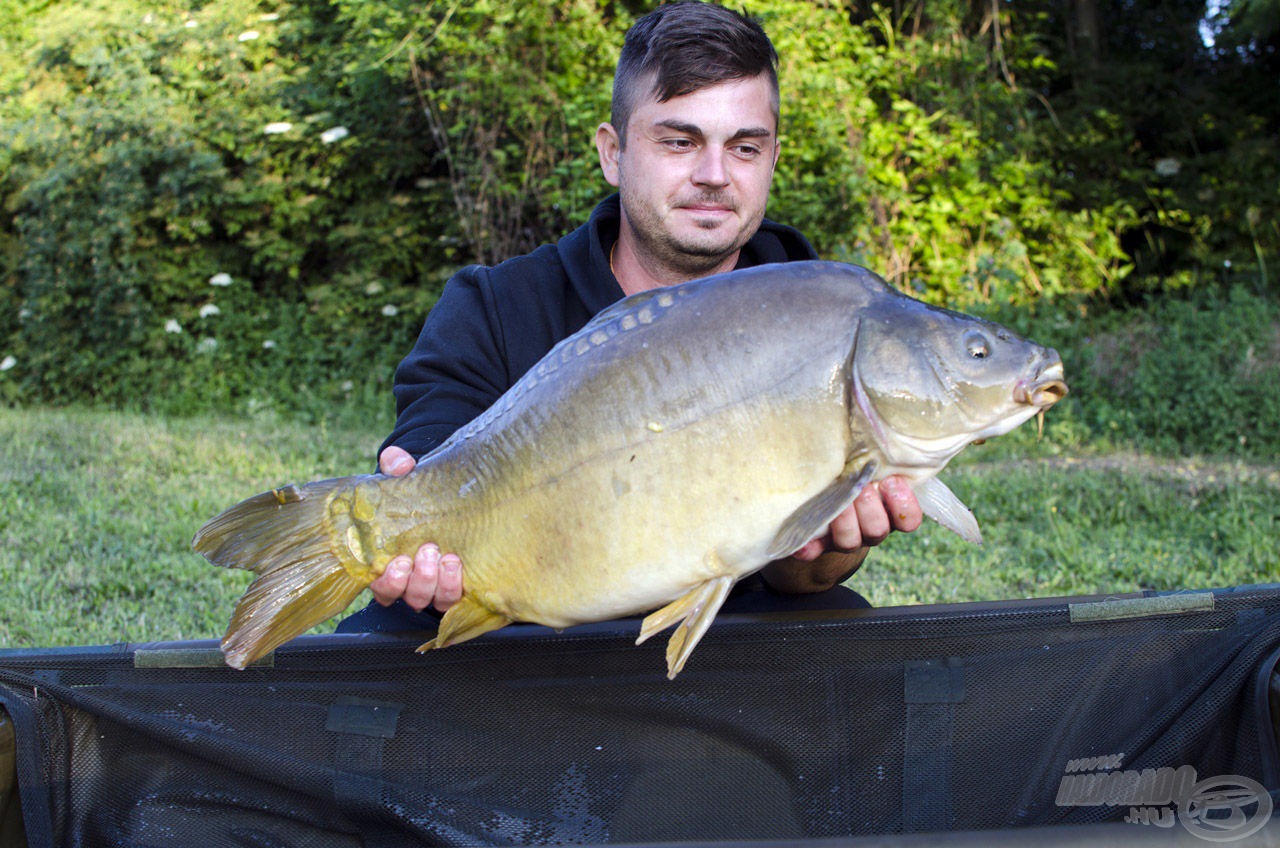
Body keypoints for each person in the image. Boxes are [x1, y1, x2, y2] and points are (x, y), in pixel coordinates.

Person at [337, 1, 921, 634]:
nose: (714, 175)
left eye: (745, 148)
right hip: (521, 627)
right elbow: (433, 438)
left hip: (730, 621)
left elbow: (800, 579)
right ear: (612, 153)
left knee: (844, 642)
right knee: (386, 638)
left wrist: (826, 549)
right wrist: (414, 510)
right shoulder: (497, 305)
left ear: (774, 158)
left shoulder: (829, 322)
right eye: (679, 141)